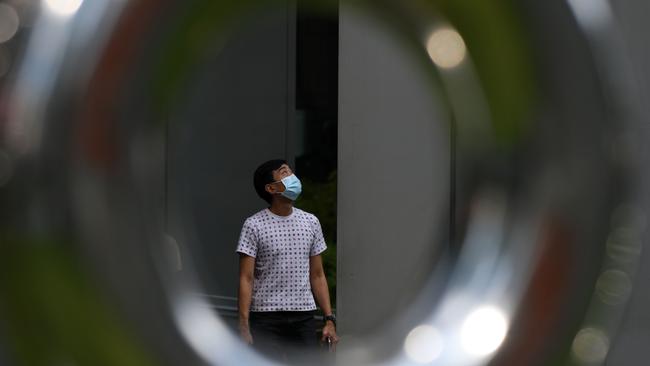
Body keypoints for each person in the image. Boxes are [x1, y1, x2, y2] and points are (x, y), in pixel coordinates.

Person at [236, 159, 339, 362]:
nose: (292, 177)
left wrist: (329, 319)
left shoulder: (311, 222)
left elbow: (317, 275)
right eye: (284, 173)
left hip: (304, 316)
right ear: (271, 188)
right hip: (265, 317)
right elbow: (246, 278)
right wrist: (243, 325)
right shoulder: (253, 225)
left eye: (291, 172)